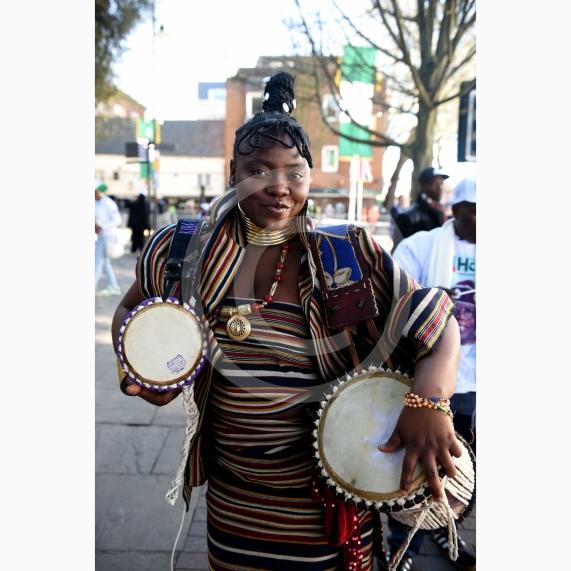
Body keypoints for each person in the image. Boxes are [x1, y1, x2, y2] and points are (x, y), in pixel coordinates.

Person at [111, 72, 463, 570]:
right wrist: (143, 367)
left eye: (294, 172)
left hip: (330, 514)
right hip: (237, 509)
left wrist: (429, 402)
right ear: (234, 172)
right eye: (259, 169)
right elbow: (132, 308)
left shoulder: (349, 256)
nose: (279, 187)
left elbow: (438, 322)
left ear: (309, 176)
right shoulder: (181, 250)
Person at [389, 177, 477, 571]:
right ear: (456, 209)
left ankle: (447, 526)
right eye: (476, 209)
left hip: (479, 384)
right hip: (429, 383)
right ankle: (401, 545)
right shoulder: (420, 247)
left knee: (461, 472)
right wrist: (425, 300)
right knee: (408, 472)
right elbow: (386, 304)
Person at [391, 166, 449, 252]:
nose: (439, 187)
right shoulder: (407, 217)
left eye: (441, 183)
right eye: (435, 184)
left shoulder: (441, 212)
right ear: (424, 186)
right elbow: (400, 252)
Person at [95, 180, 122, 296]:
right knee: (105, 263)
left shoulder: (108, 203)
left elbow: (117, 220)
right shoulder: (96, 203)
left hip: (108, 236)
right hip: (101, 236)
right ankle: (114, 287)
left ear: (99, 191)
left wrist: (103, 226)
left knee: (98, 262)